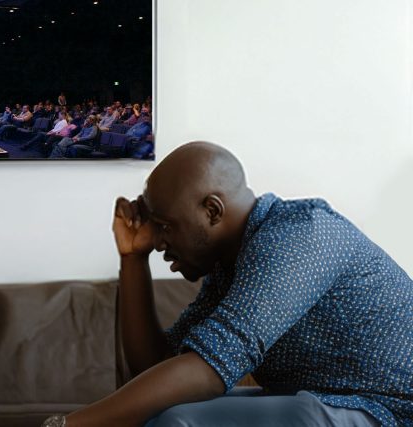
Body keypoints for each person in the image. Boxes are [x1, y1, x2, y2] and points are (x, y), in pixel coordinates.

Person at [42, 141, 413, 427]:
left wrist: (65, 425)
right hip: (328, 401)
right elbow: (154, 369)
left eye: (165, 226)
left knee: (177, 422)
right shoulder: (229, 264)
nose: (158, 240)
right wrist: (133, 259)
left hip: (388, 411)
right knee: (159, 410)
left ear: (212, 211)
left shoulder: (299, 235)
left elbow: (209, 369)